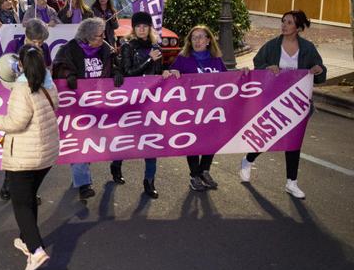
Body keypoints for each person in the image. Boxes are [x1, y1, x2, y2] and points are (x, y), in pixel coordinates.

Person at [0, 45, 59, 270]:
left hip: (25, 155)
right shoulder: (49, 83)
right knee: (28, 197)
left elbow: (16, 123)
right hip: (45, 154)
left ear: (21, 65)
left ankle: (36, 250)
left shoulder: (22, 89)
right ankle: (27, 240)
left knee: (21, 204)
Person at [238, 10, 326, 198]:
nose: (284, 25)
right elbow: (257, 64)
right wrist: (267, 68)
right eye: (283, 21)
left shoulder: (308, 48)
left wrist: (318, 70)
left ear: (299, 28)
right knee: (267, 137)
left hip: (298, 103)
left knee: (293, 142)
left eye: (289, 22)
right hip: (272, 102)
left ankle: (291, 183)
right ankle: (248, 159)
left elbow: (320, 73)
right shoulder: (272, 46)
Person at [52, 17, 124, 200]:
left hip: (99, 104)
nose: (102, 38)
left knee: (91, 143)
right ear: (87, 37)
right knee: (80, 143)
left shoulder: (106, 49)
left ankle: (81, 173)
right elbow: (59, 66)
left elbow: (116, 64)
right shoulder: (69, 49)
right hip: (77, 105)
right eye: (99, 36)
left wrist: (117, 73)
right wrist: (68, 75)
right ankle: (84, 184)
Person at [164, 25, 226, 191]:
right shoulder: (183, 59)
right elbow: (170, 75)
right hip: (191, 110)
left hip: (212, 110)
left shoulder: (216, 59)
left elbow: (228, 80)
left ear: (208, 40)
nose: (198, 41)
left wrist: (243, 74)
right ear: (190, 42)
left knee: (211, 141)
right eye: (194, 38)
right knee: (192, 142)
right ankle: (194, 175)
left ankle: (205, 171)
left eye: (201, 37)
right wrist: (171, 73)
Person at [0, 19, 52, 201]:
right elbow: (5, 72)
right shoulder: (13, 45)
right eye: (34, 42)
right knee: (14, 144)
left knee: (32, 148)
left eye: (41, 43)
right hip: (17, 99)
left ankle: (29, 190)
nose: (38, 46)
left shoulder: (44, 50)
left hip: (35, 102)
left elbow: (48, 70)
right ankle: (9, 182)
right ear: (26, 36)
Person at [112, 11, 163, 198]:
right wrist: (149, 59)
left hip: (150, 102)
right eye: (138, 26)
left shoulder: (156, 47)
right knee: (126, 139)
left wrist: (164, 73)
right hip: (131, 102)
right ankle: (116, 164)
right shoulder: (128, 47)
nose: (142, 29)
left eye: (145, 26)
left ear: (150, 28)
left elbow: (157, 73)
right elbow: (128, 74)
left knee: (151, 142)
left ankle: (149, 181)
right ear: (133, 28)